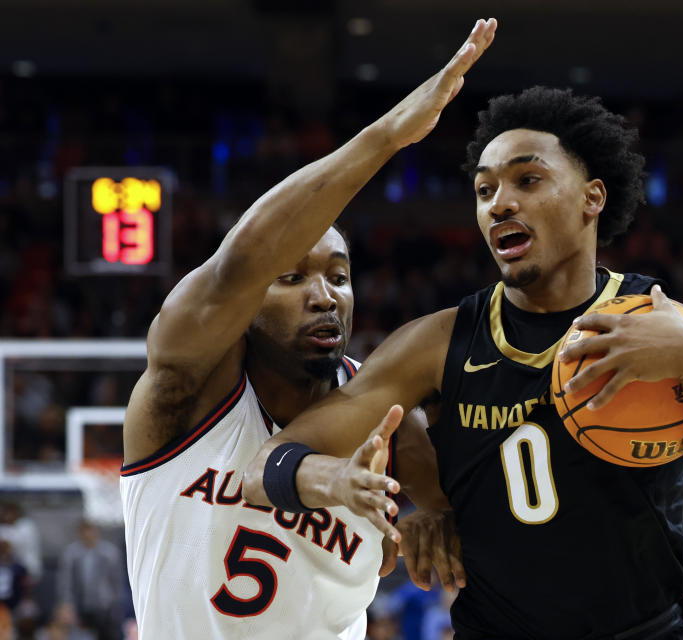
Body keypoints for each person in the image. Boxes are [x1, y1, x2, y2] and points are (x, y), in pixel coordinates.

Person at [244, 86, 683, 638]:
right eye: (484, 189)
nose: (499, 202)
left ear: (592, 198)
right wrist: (343, 483)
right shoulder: (436, 344)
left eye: (528, 180)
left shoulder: (672, 327)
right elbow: (264, 469)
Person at [119, 18, 497, 640]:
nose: (324, 296)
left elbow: (468, 524)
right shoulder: (184, 396)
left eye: (339, 277)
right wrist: (385, 138)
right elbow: (238, 266)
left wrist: (438, 513)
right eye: (292, 279)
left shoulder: (389, 423)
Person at [56, 521, 124, 640]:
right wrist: (67, 603)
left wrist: (115, 601)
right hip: (80, 604)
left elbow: (117, 580)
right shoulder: (71, 553)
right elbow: (65, 581)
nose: (88, 536)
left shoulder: (109, 553)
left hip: (105, 605)